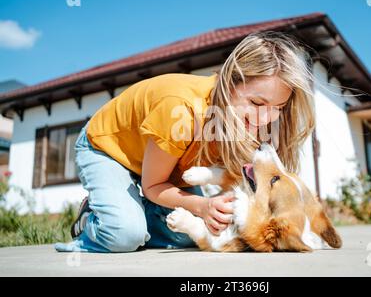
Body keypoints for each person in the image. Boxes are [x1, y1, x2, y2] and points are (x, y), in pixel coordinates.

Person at [55, 31, 315, 252]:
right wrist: (201, 205)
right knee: (125, 235)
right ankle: (93, 219)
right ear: (230, 82)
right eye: (257, 103)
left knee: (187, 235)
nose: (265, 118)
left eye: (278, 107)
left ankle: (132, 209)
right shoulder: (181, 110)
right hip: (109, 149)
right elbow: (154, 184)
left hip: (162, 167)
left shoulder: (249, 119)